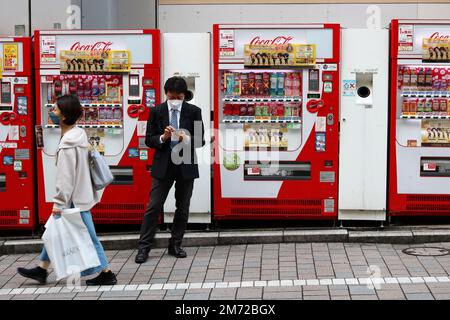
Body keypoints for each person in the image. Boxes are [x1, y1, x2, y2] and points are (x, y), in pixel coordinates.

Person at [17, 94, 117, 286]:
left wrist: (59, 204)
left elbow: (65, 179)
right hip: (81, 195)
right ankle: (42, 268)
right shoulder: (79, 135)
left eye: (55, 110)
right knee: (53, 231)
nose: (52, 113)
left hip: (74, 200)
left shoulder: (67, 145)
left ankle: (107, 272)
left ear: (63, 116)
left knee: (89, 236)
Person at [135, 77, 205, 264]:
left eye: (179, 97)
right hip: (163, 165)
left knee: (182, 208)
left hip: (186, 164)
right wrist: (163, 137)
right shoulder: (157, 111)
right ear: (165, 93)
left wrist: (187, 138)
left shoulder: (194, 111)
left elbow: (201, 140)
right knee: (154, 206)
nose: (174, 100)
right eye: (171, 96)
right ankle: (144, 248)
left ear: (184, 96)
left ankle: (175, 244)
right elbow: (149, 140)